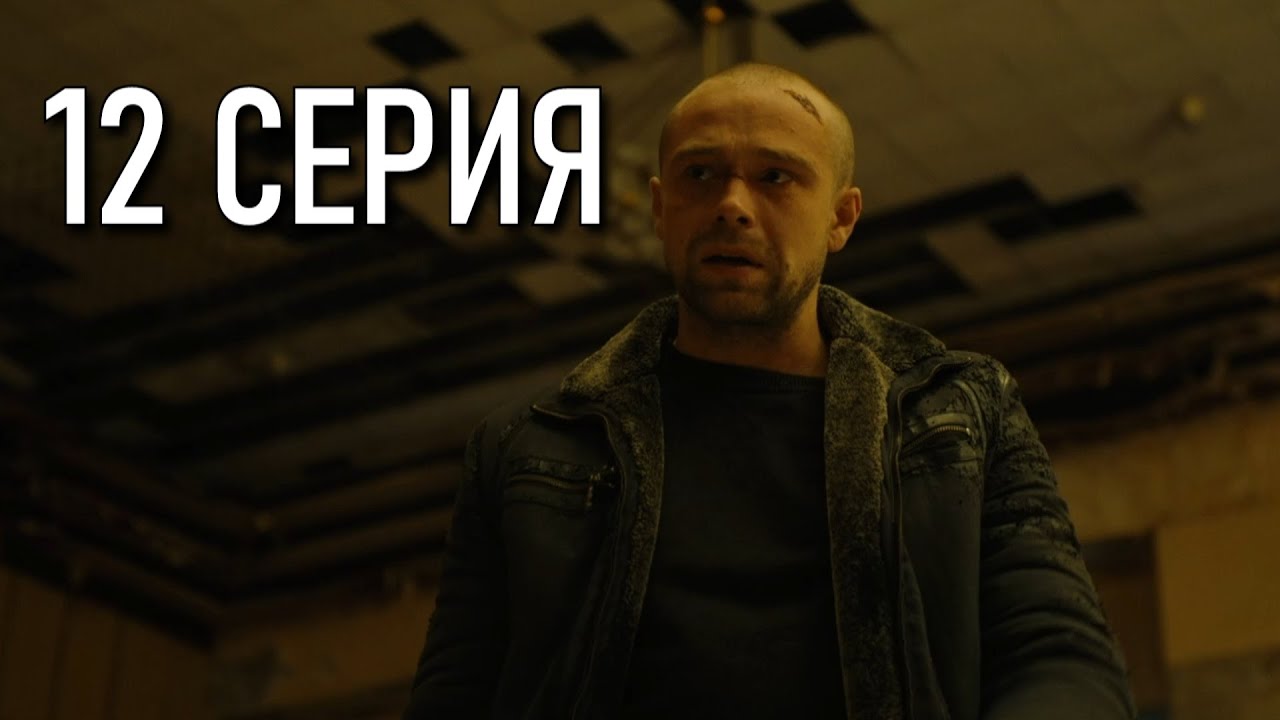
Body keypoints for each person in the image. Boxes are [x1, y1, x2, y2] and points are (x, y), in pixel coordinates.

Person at [402, 62, 1136, 720]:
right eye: (700, 174)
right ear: (659, 207)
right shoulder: (529, 447)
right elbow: (454, 696)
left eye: (776, 177)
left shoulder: (959, 411)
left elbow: (1064, 660)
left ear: (841, 219)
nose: (732, 204)